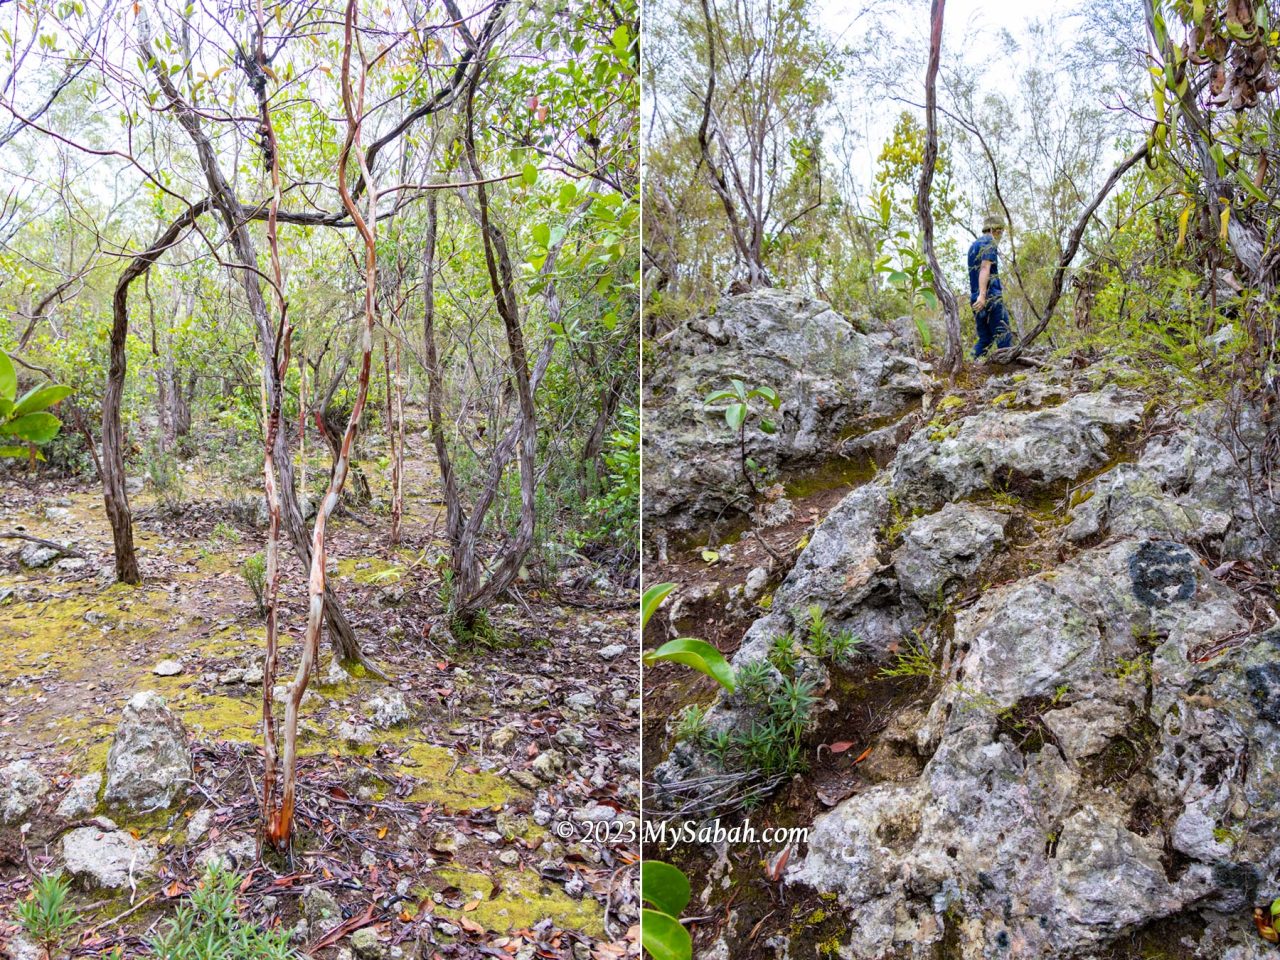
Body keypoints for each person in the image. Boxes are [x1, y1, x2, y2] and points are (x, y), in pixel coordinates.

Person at [968, 215, 1013, 358]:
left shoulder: (973, 246)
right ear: (996, 229)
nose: (1001, 234)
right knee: (1003, 334)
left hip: (975, 298)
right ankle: (1007, 368)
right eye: (1001, 230)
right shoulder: (989, 242)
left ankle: (968, 363)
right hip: (989, 296)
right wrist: (983, 295)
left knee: (985, 339)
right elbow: (984, 268)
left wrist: (978, 296)